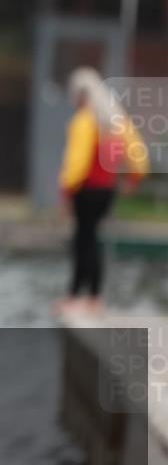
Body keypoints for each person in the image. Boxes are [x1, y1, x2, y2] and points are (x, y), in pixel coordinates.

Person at [56, 66, 148, 314]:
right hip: (107, 190)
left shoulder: (85, 121)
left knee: (82, 240)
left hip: (86, 190)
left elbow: (77, 163)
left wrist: (66, 190)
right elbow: (137, 152)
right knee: (92, 239)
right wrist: (134, 177)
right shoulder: (115, 121)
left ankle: (76, 295)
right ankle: (94, 297)